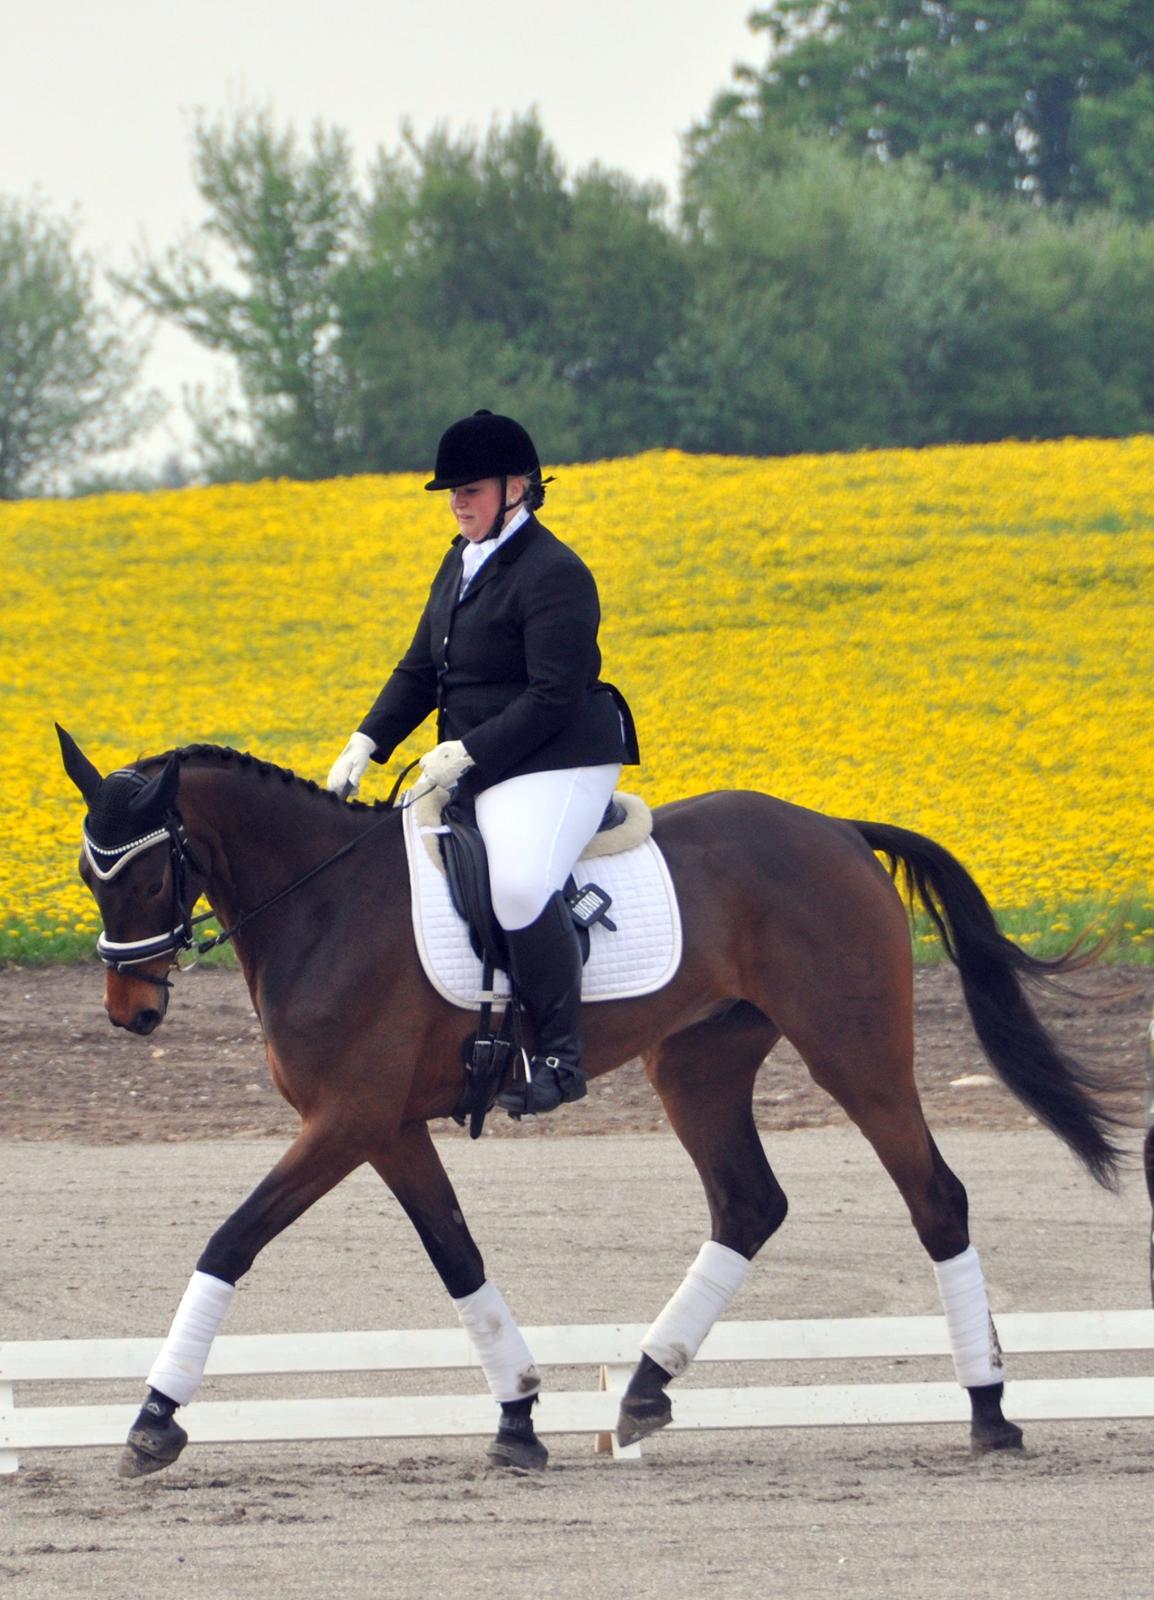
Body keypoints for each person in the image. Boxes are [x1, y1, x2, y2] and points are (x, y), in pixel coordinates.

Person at [326, 409, 639, 1114]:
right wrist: (366, 742)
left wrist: (469, 750)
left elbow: (555, 694)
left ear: (518, 487)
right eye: (452, 491)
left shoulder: (556, 572)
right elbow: (419, 670)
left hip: (559, 759)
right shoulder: (459, 562)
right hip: (482, 758)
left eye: (471, 489)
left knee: (521, 886)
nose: (458, 501)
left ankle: (561, 1054)